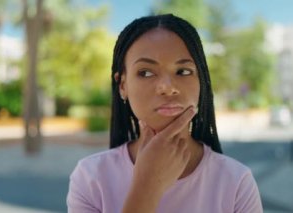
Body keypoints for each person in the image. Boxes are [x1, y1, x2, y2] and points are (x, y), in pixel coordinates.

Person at [67, 14, 263, 213]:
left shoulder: (237, 183)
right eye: (146, 72)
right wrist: (147, 186)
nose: (167, 88)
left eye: (183, 72)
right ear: (123, 85)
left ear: (201, 82)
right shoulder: (90, 178)